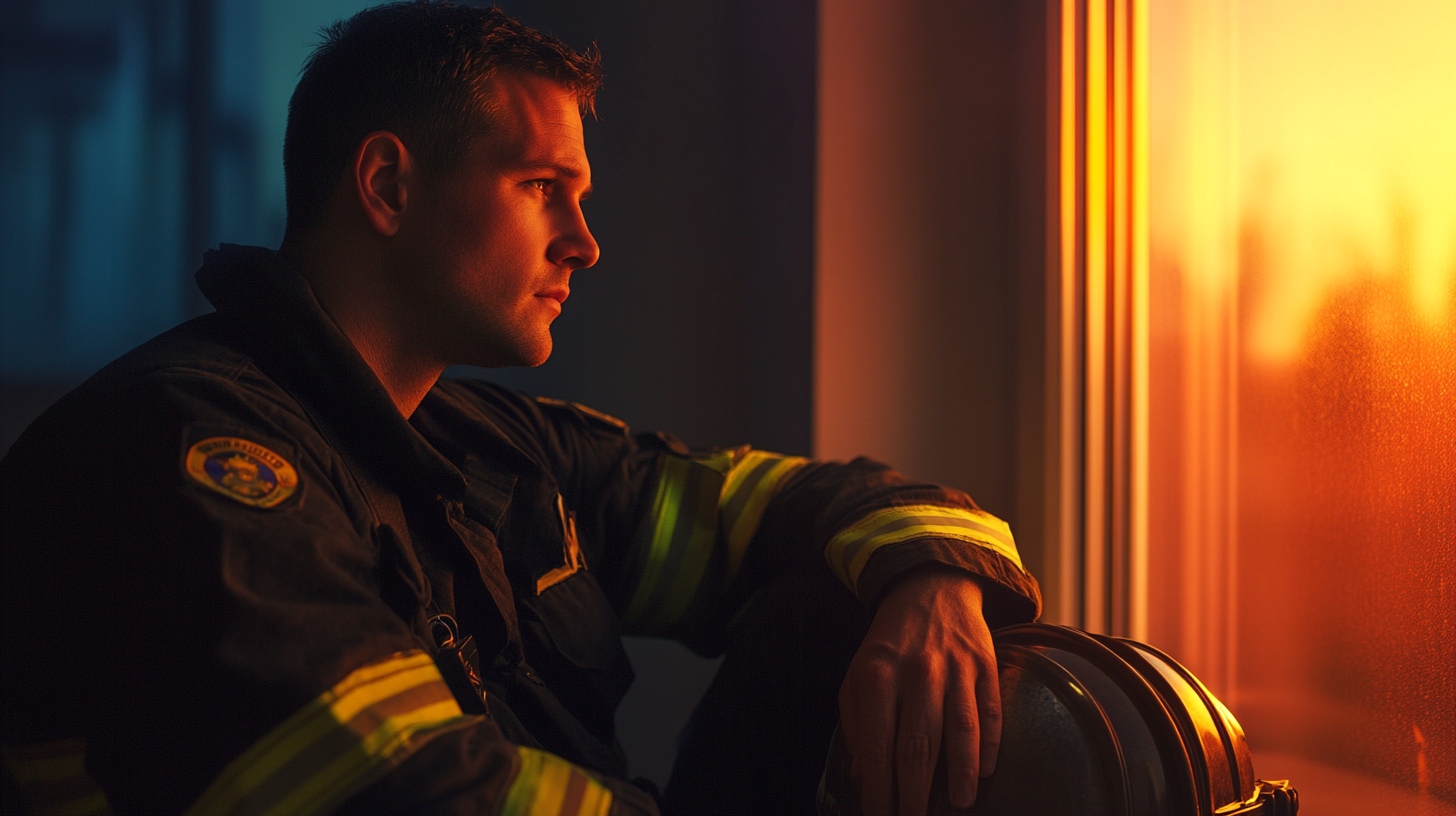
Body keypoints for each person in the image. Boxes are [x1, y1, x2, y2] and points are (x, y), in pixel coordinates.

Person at [0, 3, 1041, 815]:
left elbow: (801, 507)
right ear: (387, 186)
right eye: (543, 186)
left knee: (840, 590)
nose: (583, 242)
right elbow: (402, 799)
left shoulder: (490, 447)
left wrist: (933, 581)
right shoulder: (182, 455)